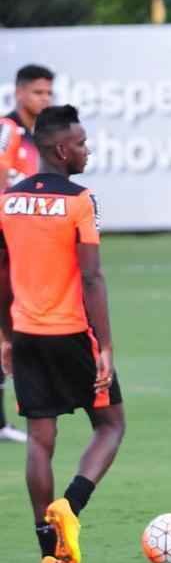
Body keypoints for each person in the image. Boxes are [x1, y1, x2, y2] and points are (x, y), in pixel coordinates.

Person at [0, 104, 125, 563]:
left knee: (40, 439)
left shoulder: (8, 200)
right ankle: (70, 506)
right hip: (73, 333)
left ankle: (49, 551)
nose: (86, 149)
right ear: (59, 148)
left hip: (28, 334)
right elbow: (92, 277)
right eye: (81, 142)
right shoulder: (79, 200)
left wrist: (6, 336)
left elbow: (2, 273)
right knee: (111, 425)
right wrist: (106, 345)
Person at [0, 64, 52, 444]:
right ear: (19, 93)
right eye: (38, 92)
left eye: (49, 93)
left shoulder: (37, 135)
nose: (44, 99)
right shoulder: (9, 129)